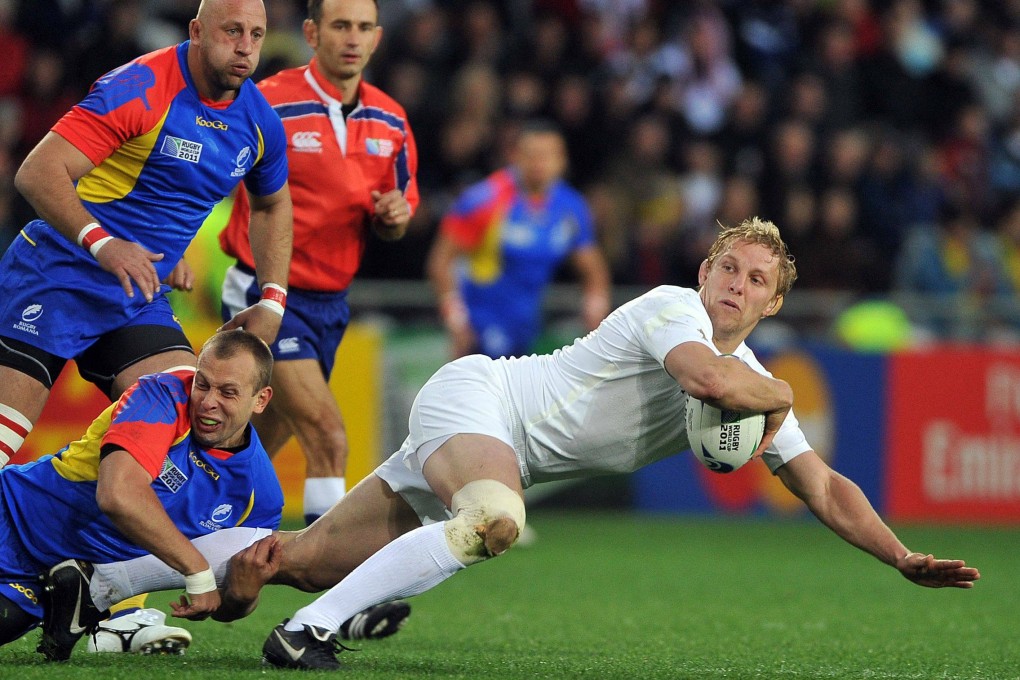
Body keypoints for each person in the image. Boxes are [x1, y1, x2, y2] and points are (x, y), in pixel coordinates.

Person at [41, 217, 980, 670]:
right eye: (727, 266)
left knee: (303, 557)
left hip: (491, 441)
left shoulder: (756, 387)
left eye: (756, 279)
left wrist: (899, 556)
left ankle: (99, 585)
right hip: (482, 399)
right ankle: (308, 638)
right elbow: (709, 382)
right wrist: (779, 394)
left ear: (773, 304)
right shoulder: (676, 312)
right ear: (704, 272)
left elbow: (825, 486)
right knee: (492, 517)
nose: (736, 283)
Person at [0, 0, 293, 470]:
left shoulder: (259, 124)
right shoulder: (140, 86)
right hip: (54, 275)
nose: (245, 48)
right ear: (196, 31)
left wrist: (273, 300)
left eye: (256, 35)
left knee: (187, 422)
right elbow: (37, 172)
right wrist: (106, 244)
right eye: (232, 31)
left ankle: (75, 504)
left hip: (133, 295)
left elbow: (272, 204)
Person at [219, 0, 418, 526]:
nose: (352, 38)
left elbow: (396, 216)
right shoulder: (269, 101)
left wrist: (394, 215)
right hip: (266, 293)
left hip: (330, 304)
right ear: (311, 33)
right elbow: (211, 174)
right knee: (327, 435)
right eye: (340, 25)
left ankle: (170, 538)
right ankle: (328, 575)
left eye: (363, 27)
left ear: (376, 38)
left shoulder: (392, 121)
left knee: (243, 451)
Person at [0, 330, 283, 658]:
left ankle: (121, 622)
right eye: (202, 384)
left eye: (228, 392)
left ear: (261, 400)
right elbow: (118, 495)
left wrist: (243, 597)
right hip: (10, 517)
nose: (207, 402)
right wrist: (198, 570)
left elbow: (226, 604)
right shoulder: (161, 395)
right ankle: (125, 622)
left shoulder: (259, 495)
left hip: (44, 589)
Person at [426, 119, 611, 359]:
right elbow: (440, 262)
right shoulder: (484, 200)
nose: (539, 163)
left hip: (529, 323)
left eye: (547, 156)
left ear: (562, 160)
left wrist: (595, 310)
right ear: (515, 156)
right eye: (531, 155)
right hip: (480, 323)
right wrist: (456, 320)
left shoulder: (571, 208)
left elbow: (593, 269)